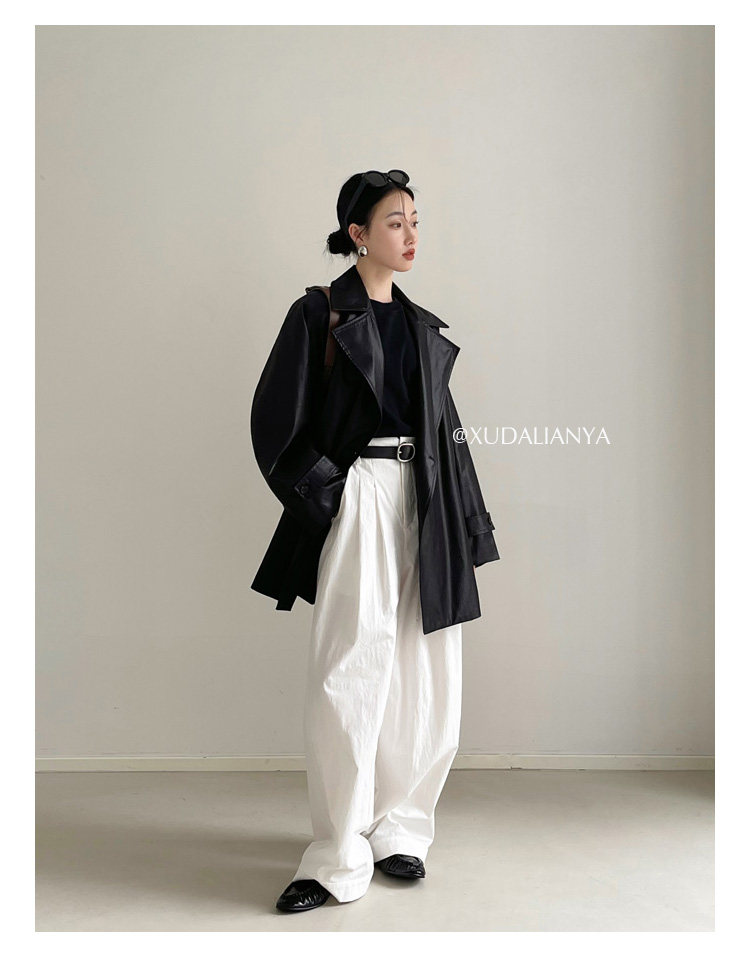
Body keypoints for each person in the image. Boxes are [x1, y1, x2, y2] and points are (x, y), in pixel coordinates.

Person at [250, 170, 500, 912]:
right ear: (358, 233)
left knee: (427, 670)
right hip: (359, 491)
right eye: (396, 222)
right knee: (350, 669)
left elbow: (448, 433)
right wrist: (332, 494)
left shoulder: (421, 326)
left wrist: (470, 523)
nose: (412, 234)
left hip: (425, 496)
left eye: (416, 220)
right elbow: (274, 422)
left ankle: (401, 830)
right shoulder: (319, 313)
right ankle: (337, 854)